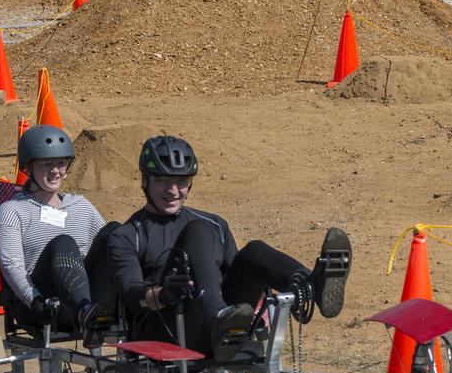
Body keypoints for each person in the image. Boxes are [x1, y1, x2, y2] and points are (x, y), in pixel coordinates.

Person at [107, 136, 352, 360]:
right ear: (144, 181)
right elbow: (130, 295)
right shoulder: (128, 234)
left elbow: (238, 279)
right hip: (166, 330)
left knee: (254, 251)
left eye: (181, 181)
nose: (173, 191)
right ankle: (217, 313)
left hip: (221, 333)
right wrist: (162, 294)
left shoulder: (217, 224)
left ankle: (312, 285)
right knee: (198, 230)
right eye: (163, 180)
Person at [0, 125, 110, 344]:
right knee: (64, 243)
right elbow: (11, 265)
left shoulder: (81, 205)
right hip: (43, 304)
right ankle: (84, 312)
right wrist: (35, 300)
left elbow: (110, 247)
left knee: (114, 233)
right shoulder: (12, 210)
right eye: (47, 164)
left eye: (61, 163)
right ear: (29, 167)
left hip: (90, 302)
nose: (55, 171)